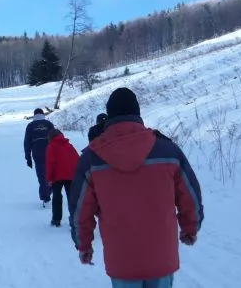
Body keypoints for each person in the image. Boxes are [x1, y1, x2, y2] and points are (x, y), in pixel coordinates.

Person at [69, 88, 203, 288]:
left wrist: (84, 245)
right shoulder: (168, 151)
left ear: (109, 116)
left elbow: (80, 209)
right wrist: (190, 227)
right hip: (162, 256)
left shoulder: (91, 159)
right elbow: (190, 195)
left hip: (121, 260)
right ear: (137, 113)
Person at [45, 128, 80, 227]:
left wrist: (49, 178)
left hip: (57, 176)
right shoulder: (69, 146)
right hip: (71, 175)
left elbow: (50, 163)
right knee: (72, 198)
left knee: (57, 197)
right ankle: (74, 220)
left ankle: (56, 219)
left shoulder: (51, 147)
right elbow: (77, 159)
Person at [24, 108, 53, 206]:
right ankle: (49, 190)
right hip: (51, 152)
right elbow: (55, 138)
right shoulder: (49, 124)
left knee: (42, 175)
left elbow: (27, 143)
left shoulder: (30, 126)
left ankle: (45, 196)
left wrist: (28, 157)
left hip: (37, 154)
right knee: (51, 173)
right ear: (43, 114)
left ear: (34, 115)